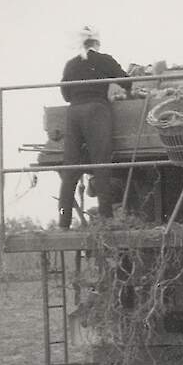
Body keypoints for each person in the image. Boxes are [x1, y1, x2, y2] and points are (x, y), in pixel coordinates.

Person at [57, 25, 132, 228]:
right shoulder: (104, 59)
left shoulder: (71, 64)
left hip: (73, 113)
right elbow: (127, 82)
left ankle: (63, 222)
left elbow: (65, 94)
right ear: (96, 43)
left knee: (70, 169)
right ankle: (106, 218)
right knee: (101, 163)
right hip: (96, 111)